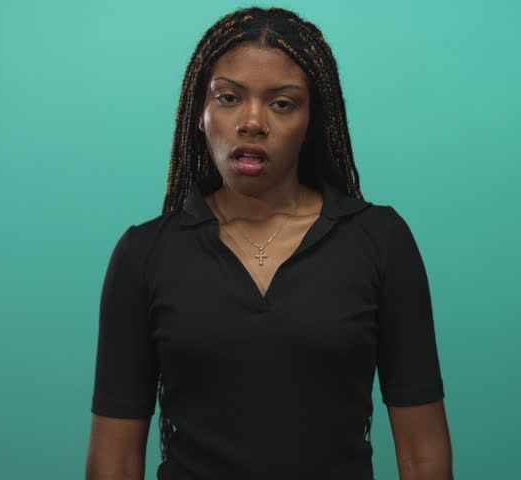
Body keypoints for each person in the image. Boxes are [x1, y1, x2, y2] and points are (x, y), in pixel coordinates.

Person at [85, 6, 452, 480]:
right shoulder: (145, 253)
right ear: (200, 111)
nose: (252, 122)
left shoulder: (379, 240)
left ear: (312, 119)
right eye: (229, 97)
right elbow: (112, 461)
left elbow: (424, 454)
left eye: (281, 103)